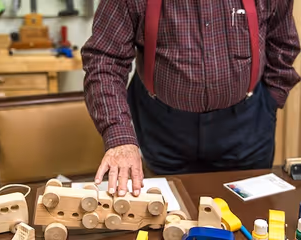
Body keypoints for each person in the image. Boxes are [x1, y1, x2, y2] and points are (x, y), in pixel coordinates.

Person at [81, 0, 300, 197]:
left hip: (247, 124)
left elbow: (282, 41)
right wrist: (120, 137)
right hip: (163, 127)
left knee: (251, 217)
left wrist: (270, 101)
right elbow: (104, 61)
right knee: (168, 217)